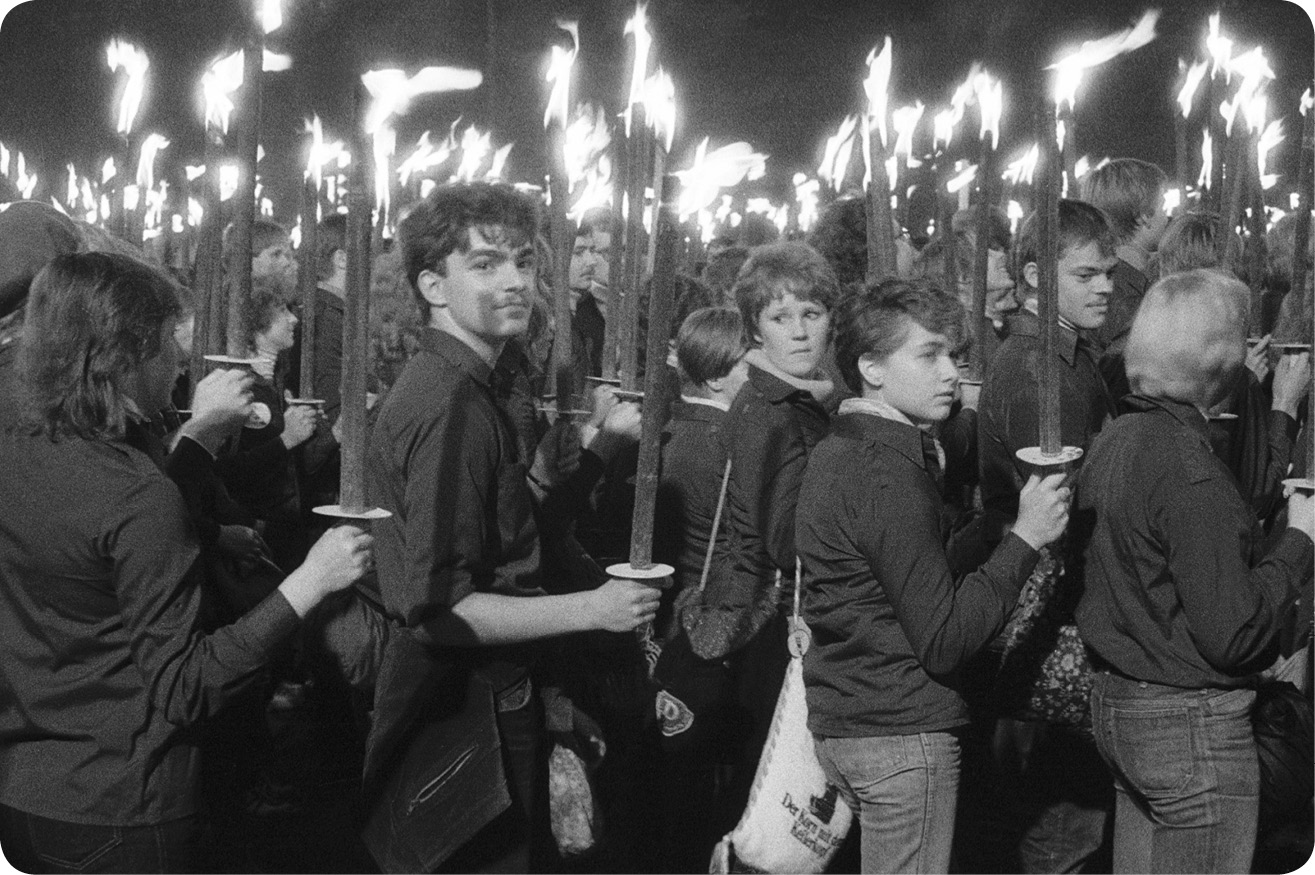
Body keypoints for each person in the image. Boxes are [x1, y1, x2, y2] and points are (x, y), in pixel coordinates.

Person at [0, 252, 372, 874]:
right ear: (120, 357)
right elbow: (184, 685)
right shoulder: (134, 495)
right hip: (122, 801)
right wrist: (310, 583)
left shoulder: (20, 448)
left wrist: (196, 470)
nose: (179, 362)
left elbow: (88, 575)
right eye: (167, 344)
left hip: (26, 792)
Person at [361, 181, 660, 873]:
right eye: (487, 264)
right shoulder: (451, 407)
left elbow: (507, 544)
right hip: (462, 709)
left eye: (524, 262)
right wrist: (596, 607)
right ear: (434, 285)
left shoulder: (472, 389)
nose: (515, 281)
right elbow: (442, 607)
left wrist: (594, 458)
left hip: (491, 693)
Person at [799, 278, 1071, 874]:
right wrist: (1025, 538)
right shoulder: (884, 474)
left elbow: (887, 582)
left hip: (851, 722)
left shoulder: (840, 447)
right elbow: (944, 639)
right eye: (929, 355)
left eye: (953, 354)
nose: (951, 372)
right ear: (870, 366)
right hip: (900, 734)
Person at [1072, 268, 1315, 873]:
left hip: (1123, 706)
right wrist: (1299, 539)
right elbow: (1232, 631)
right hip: (1187, 728)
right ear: (1224, 366)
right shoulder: (1188, 470)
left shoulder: (1117, 438)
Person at [976, 198, 1120, 874]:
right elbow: (1064, 513)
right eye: (1086, 274)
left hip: (1049, 609)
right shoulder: (1041, 371)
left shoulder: (1062, 356)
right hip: (1050, 619)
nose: (1105, 288)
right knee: (1056, 831)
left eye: (1108, 274)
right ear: (1035, 274)